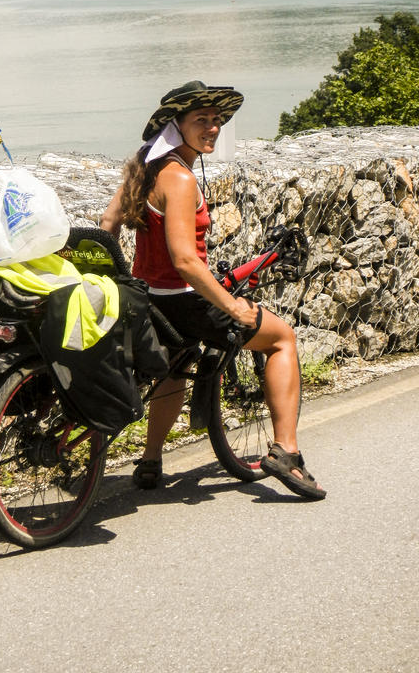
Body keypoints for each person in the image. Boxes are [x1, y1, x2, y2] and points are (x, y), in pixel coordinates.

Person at [101, 80, 325, 500]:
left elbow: (107, 225)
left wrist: (120, 278)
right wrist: (231, 306)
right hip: (185, 302)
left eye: (217, 120)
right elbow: (186, 261)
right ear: (176, 125)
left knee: (173, 369)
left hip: (146, 299)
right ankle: (287, 451)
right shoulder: (180, 179)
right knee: (281, 339)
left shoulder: (143, 168)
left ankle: (150, 460)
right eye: (200, 120)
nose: (213, 127)